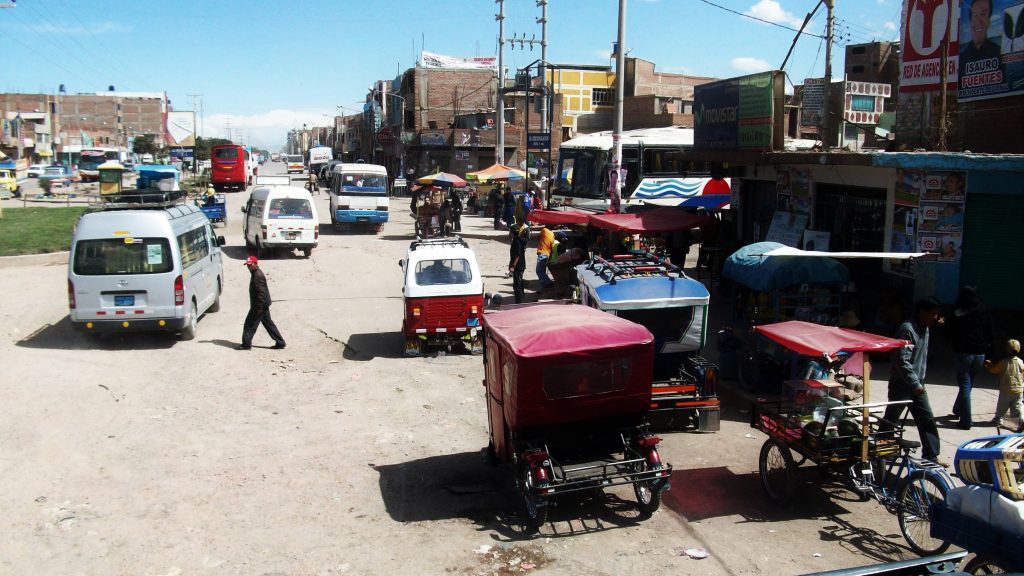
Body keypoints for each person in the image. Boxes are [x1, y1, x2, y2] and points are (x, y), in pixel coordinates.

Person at [882, 297, 943, 463]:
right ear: (921, 312)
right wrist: (914, 383)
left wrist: (918, 383)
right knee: (891, 420)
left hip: (918, 385)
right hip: (902, 384)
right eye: (933, 314)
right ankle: (883, 450)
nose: (936, 317)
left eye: (937, 314)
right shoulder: (907, 330)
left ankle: (931, 455)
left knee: (926, 418)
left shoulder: (926, 329)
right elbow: (901, 361)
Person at [948, 286, 993, 430]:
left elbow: (949, 329)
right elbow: (990, 332)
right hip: (980, 353)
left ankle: (966, 420)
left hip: (963, 353)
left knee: (965, 385)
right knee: (968, 384)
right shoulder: (983, 310)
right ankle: (958, 409)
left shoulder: (959, 311)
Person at [238, 256, 286, 350]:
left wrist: (258, 308)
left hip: (259, 306)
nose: (249, 267)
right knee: (269, 324)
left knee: (249, 324)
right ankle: (280, 342)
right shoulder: (255, 273)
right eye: (247, 265)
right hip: (262, 305)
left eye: (250, 265)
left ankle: (246, 345)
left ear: (255, 264)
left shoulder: (257, 275)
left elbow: (261, 293)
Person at [984, 339, 1023, 433]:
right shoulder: (1020, 362)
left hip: (1006, 389)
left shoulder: (1004, 362)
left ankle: (998, 419)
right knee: (1017, 407)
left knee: (1002, 406)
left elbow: (995, 370)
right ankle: (1022, 420)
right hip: (1018, 390)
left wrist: (988, 364)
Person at [960, 0, 1003, 77]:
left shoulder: (1000, 54)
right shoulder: (961, 59)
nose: (979, 20)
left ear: (989, 21)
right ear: (970, 22)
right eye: (975, 15)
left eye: (983, 14)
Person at [508, 223, 528, 304]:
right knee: (519, 283)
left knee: (517, 285)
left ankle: (519, 302)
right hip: (520, 265)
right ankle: (521, 298)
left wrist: (513, 266)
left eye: (510, 232)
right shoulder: (518, 240)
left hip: (518, 266)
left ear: (512, 232)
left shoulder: (517, 241)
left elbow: (517, 255)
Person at [535, 224, 555, 293]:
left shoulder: (545, 230)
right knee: (542, 272)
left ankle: (549, 283)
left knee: (538, 271)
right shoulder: (552, 234)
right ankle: (541, 289)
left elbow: (537, 236)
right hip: (547, 254)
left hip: (542, 253)